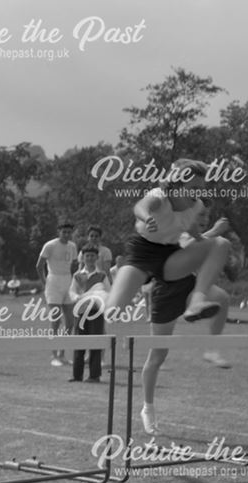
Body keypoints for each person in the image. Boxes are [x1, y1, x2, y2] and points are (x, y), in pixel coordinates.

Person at [139, 206, 232, 435]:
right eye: (201, 215)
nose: (203, 219)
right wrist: (214, 231)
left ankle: (211, 348)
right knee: (158, 356)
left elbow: (205, 250)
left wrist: (210, 235)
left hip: (190, 286)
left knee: (221, 298)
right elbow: (186, 246)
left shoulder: (199, 235)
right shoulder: (176, 226)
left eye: (206, 216)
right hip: (166, 292)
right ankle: (147, 408)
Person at [104, 159, 228, 325]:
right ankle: (95, 296)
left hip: (169, 256)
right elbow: (140, 206)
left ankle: (196, 302)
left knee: (220, 244)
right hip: (142, 253)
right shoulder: (160, 197)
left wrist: (203, 242)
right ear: (176, 187)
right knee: (112, 313)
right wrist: (147, 218)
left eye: (201, 189)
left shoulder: (196, 205)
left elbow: (189, 226)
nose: (198, 194)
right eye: (193, 189)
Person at [37, 221, 78, 366]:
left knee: (70, 322)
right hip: (53, 281)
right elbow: (39, 265)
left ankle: (62, 354)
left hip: (67, 281)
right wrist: (44, 282)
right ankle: (54, 355)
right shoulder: (50, 245)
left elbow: (74, 266)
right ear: (59, 231)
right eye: (64, 232)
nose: (66, 235)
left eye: (69, 232)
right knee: (55, 320)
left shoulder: (73, 246)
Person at [68, 245, 110, 383]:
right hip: (80, 312)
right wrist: (76, 298)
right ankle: (77, 375)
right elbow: (72, 291)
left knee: (95, 343)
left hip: (96, 313)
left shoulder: (102, 275)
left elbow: (108, 292)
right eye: (87, 256)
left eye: (93, 255)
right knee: (79, 343)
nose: (90, 258)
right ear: (83, 257)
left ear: (97, 258)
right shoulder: (77, 275)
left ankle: (94, 375)